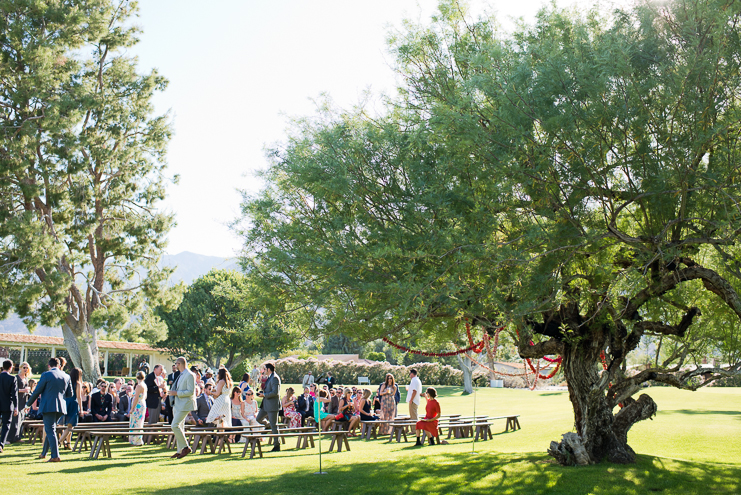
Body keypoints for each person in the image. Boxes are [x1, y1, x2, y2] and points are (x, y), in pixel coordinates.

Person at [23, 357, 73, 461]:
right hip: (61, 407)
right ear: (59, 366)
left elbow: (37, 391)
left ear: (49, 366)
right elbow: (70, 394)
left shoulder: (46, 374)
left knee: (50, 430)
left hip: (49, 406)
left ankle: (55, 455)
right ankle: (44, 453)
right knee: (51, 429)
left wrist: (28, 405)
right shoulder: (67, 376)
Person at [167, 356, 197, 459]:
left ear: (179, 364)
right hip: (177, 403)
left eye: (176, 364)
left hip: (185, 404)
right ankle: (180, 450)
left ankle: (186, 447)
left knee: (174, 425)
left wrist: (176, 393)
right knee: (180, 427)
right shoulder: (180, 375)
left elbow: (190, 391)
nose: (175, 366)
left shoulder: (190, 375)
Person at [256, 362, 281, 451]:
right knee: (258, 418)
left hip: (272, 405)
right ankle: (268, 425)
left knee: (274, 425)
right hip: (266, 405)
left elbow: (275, 392)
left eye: (265, 369)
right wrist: (262, 393)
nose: (264, 370)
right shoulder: (269, 377)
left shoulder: (275, 378)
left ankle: (277, 445)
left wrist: (264, 395)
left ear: (269, 369)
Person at [59, 368, 82, 450]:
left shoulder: (66, 382)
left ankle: (68, 444)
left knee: (66, 424)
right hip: (73, 404)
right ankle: (60, 441)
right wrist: (81, 409)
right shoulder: (78, 384)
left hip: (65, 403)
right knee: (70, 426)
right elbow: (79, 397)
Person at [8, 361, 30, 443]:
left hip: (24, 400)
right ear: (20, 368)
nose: (25, 369)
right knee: (15, 420)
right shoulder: (16, 378)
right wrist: (23, 390)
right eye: (24, 367)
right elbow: (13, 390)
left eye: (27, 368)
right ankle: (10, 438)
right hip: (17, 400)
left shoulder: (26, 378)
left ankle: (17, 437)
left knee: (21, 419)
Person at [0, 359, 18, 453]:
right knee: (6, 425)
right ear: (11, 368)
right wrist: (16, 407)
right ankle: (1, 444)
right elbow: (14, 394)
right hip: (7, 404)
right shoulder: (12, 378)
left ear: (3, 367)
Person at [144, 364, 165, 440]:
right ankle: (146, 438)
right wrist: (158, 387)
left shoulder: (158, 378)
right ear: (155, 369)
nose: (161, 371)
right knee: (152, 421)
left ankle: (152, 438)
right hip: (152, 402)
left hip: (157, 401)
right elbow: (148, 388)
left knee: (155, 421)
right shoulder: (150, 376)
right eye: (160, 369)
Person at [129, 371, 148, 446]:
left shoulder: (139, 386)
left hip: (138, 406)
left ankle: (136, 441)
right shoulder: (144, 385)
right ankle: (138, 440)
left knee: (136, 423)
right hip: (142, 403)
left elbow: (136, 398)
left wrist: (131, 409)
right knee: (139, 422)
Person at [407, 368, 422, 434]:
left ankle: (414, 430)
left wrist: (411, 400)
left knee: (413, 416)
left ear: (412, 374)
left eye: (410, 374)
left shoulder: (414, 380)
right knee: (414, 415)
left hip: (413, 401)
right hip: (415, 400)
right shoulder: (417, 380)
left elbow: (414, 391)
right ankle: (416, 429)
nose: (409, 375)